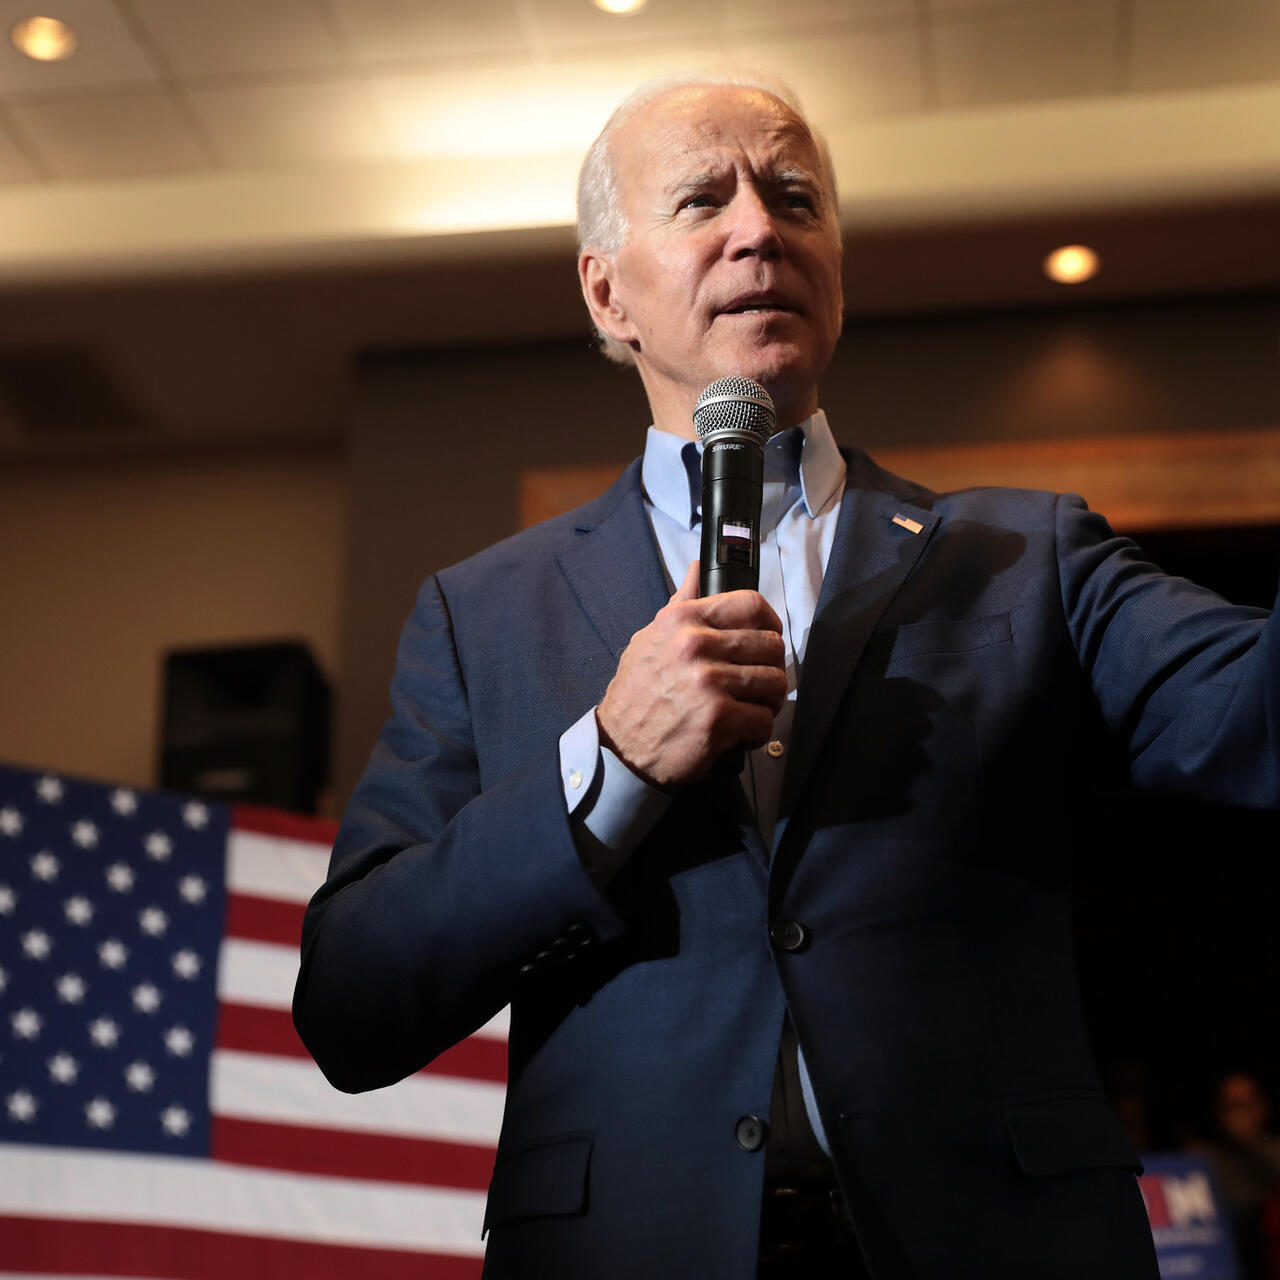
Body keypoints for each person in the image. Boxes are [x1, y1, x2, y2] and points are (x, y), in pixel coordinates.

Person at [292, 72, 1279, 1279]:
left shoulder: (1028, 556)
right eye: (703, 199)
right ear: (608, 292)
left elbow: (1254, 714)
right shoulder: (480, 613)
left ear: (835, 271)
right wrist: (606, 762)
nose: (759, 226)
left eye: (794, 197)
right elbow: (352, 1001)